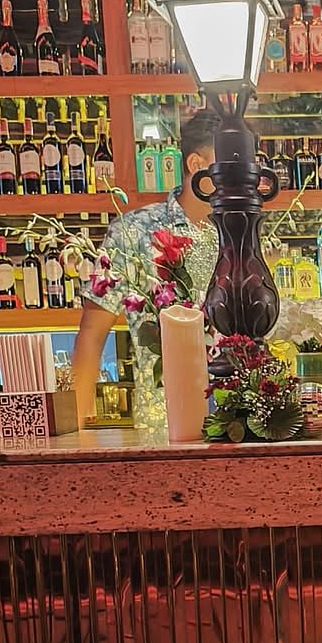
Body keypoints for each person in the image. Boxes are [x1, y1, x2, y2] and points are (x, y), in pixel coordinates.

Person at [71, 109, 221, 426]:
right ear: (197, 165)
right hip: (164, 423)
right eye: (231, 163)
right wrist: (79, 430)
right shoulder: (134, 231)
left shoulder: (241, 232)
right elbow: (92, 333)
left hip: (242, 421)